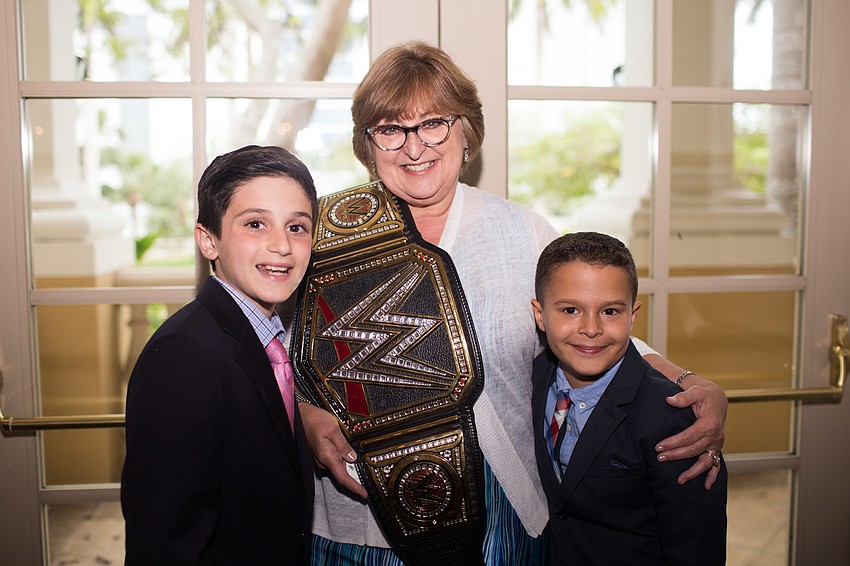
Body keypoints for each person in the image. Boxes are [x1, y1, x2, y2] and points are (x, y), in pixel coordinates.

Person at [296, 40, 728, 565]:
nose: (415, 148)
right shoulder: (320, 235)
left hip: (500, 504)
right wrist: (307, 412)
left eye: (434, 123)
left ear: (466, 131)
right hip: (362, 515)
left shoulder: (522, 232)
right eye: (390, 129)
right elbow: (278, 354)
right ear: (368, 142)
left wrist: (687, 383)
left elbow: (584, 328)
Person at [121, 145, 317, 564]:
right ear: (208, 241)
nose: (281, 245)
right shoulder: (183, 356)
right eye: (255, 224)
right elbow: (164, 542)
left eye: (297, 227)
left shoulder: (269, 339)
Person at [530, 232, 727, 565]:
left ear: (633, 315)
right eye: (570, 310)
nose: (591, 329)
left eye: (609, 311)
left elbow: (696, 548)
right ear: (540, 315)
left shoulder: (672, 419)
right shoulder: (535, 376)